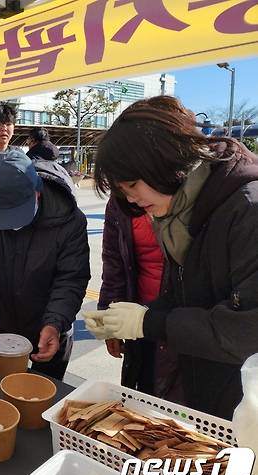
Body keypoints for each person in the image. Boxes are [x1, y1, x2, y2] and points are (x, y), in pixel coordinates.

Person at [83, 95, 258, 419]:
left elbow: (246, 330)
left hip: (239, 402)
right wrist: (128, 314)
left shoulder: (246, 210)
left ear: (164, 161)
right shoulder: (183, 210)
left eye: (133, 185)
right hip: (197, 376)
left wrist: (149, 321)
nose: (132, 200)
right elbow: (184, 296)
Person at [0, 151, 90, 379]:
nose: (12, 226)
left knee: (43, 395)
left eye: (18, 213)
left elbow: (70, 278)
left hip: (48, 329)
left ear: (37, 192)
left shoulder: (69, 219)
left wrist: (54, 323)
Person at [98, 196, 182, 401]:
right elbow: (113, 263)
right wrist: (108, 320)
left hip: (181, 323)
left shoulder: (188, 199)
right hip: (138, 318)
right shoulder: (120, 202)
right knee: (143, 393)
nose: (130, 195)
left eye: (133, 183)